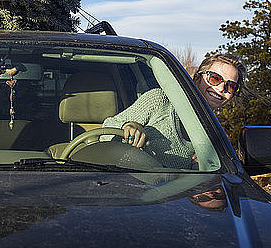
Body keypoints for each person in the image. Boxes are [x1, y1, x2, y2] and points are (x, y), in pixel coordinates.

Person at [102, 53, 245, 169]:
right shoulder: (159, 100)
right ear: (197, 77)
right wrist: (129, 126)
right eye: (215, 78)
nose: (221, 88)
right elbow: (106, 131)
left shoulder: (214, 135)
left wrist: (198, 166)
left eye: (231, 86)